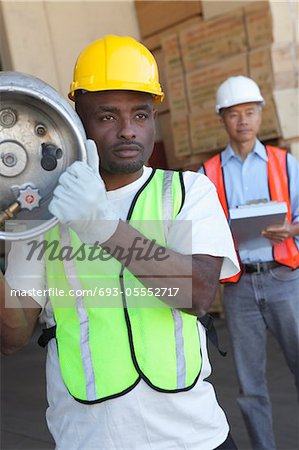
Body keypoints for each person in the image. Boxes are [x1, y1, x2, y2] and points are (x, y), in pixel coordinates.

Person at [1, 35, 240, 450]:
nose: (128, 130)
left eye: (141, 115)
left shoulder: (186, 192)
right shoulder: (39, 214)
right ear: (75, 120)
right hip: (89, 439)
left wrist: (102, 226)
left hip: (195, 436)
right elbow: (12, 336)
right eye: (107, 117)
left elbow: (198, 293)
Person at [199, 75, 299, 450]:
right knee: (250, 386)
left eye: (250, 112)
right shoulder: (206, 176)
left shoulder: (286, 164)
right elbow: (197, 231)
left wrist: (290, 230)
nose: (243, 120)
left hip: (285, 281)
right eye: (234, 114)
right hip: (239, 289)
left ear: (260, 115)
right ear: (222, 119)